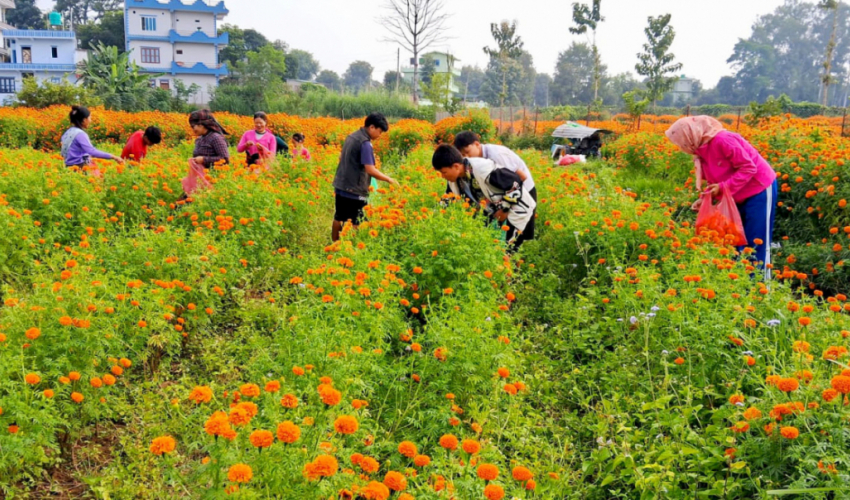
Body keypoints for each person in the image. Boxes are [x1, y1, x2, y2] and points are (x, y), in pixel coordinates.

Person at [666, 115, 778, 275]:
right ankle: (741, 284)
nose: (681, 147)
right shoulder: (701, 150)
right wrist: (706, 198)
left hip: (758, 188)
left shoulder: (723, 140)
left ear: (690, 135)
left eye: (680, 142)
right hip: (736, 193)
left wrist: (723, 187)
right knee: (735, 237)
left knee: (756, 239)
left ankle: (760, 289)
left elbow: (748, 167)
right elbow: (716, 178)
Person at [432, 144, 536, 251]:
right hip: (493, 212)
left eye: (443, 172)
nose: (442, 176)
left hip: (515, 208)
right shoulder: (455, 180)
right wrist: (433, 218)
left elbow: (514, 183)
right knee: (490, 247)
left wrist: (504, 209)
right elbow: (448, 198)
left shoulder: (484, 169)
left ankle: (512, 266)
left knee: (509, 249)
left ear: (456, 166)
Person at [331, 112, 398, 242]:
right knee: (358, 221)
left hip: (340, 185)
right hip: (354, 189)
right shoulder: (365, 143)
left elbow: (340, 157)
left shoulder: (351, 136)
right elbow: (370, 169)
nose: (379, 135)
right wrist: (389, 179)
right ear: (372, 127)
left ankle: (334, 244)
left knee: (339, 216)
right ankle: (354, 249)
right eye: (380, 131)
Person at [453, 131, 537, 201]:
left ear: (477, 144)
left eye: (468, 152)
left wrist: (504, 203)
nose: (467, 157)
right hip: (508, 194)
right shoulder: (475, 162)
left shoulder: (496, 155)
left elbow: (521, 177)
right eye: (463, 155)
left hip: (524, 192)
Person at [61, 105, 124, 170]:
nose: (90, 121)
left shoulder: (68, 132)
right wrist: (113, 156)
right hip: (79, 167)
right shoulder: (80, 134)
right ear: (84, 120)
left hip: (68, 166)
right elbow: (92, 151)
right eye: (90, 118)